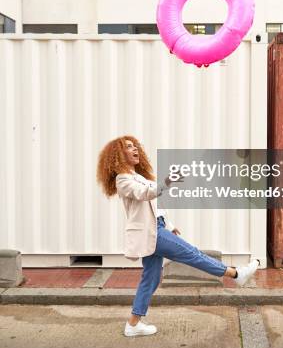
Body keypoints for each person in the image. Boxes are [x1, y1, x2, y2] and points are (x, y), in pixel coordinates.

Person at [96, 135, 260, 337]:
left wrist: (170, 225)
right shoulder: (123, 179)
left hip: (158, 228)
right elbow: (144, 194)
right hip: (152, 233)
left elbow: (154, 206)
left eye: (135, 146)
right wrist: (166, 182)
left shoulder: (137, 176)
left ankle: (133, 324)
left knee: (151, 278)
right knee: (192, 254)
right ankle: (236, 274)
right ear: (119, 155)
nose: (135, 149)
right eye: (129, 147)